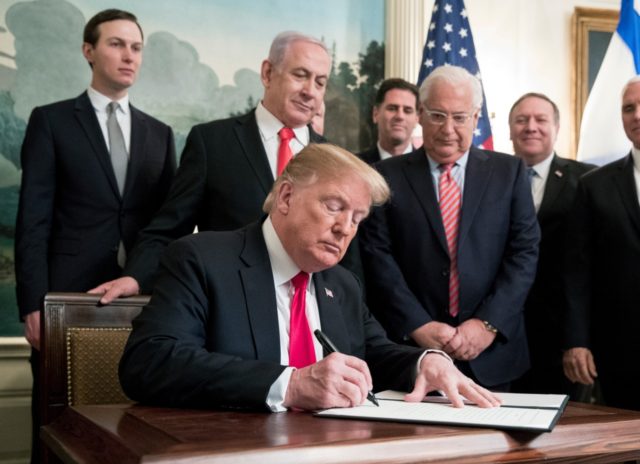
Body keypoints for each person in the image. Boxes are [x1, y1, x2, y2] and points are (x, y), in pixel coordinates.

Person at [119, 143, 501, 411]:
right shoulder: (202, 259)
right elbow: (149, 363)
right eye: (334, 207)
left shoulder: (341, 284)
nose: (344, 229)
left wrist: (426, 362)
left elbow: (375, 355)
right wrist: (292, 386)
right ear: (285, 197)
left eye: (356, 219)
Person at [14, 9, 176, 464]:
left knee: (128, 423)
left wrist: (143, 278)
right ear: (89, 51)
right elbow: (33, 220)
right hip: (66, 299)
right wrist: (33, 304)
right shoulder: (51, 122)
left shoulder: (160, 135)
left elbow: (164, 226)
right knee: (52, 423)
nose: (129, 56)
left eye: (137, 47)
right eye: (116, 44)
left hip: (139, 300)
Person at [91, 31, 333, 302]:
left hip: (310, 320)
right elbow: (171, 226)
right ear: (267, 73)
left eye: (320, 82)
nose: (310, 91)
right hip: (229, 309)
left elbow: (350, 260)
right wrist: (135, 277)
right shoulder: (212, 142)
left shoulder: (334, 160)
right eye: (300, 75)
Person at [359, 65, 540, 390]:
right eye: (438, 115)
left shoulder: (508, 172)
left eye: (459, 117)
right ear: (421, 115)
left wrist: (487, 324)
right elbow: (377, 257)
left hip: (492, 354)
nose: (448, 129)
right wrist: (417, 324)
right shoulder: (385, 175)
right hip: (410, 351)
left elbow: (524, 253)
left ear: (476, 117)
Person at [508, 93, 596, 395]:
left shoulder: (588, 179)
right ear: (510, 129)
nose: (531, 127)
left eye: (541, 119)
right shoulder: (487, 178)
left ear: (556, 128)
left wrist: (579, 336)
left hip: (561, 334)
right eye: (521, 120)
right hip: (501, 332)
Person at [563, 76, 640, 411]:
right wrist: (576, 342)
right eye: (628, 108)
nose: (636, 115)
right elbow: (577, 272)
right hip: (621, 347)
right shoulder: (594, 186)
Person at [357, 78, 420, 164]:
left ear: (417, 119)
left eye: (407, 110)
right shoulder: (356, 166)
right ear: (376, 114)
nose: (400, 116)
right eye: (392, 109)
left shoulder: (430, 169)